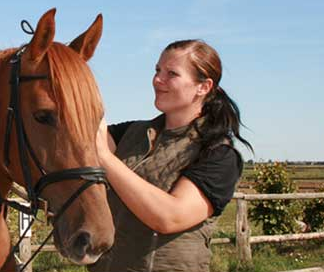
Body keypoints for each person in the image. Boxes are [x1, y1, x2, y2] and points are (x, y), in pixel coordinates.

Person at [91, 39, 252, 272]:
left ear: (203, 87)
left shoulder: (218, 154)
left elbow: (170, 217)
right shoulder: (130, 133)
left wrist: (106, 159)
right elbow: (81, 137)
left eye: (172, 73)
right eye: (157, 70)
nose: (158, 80)